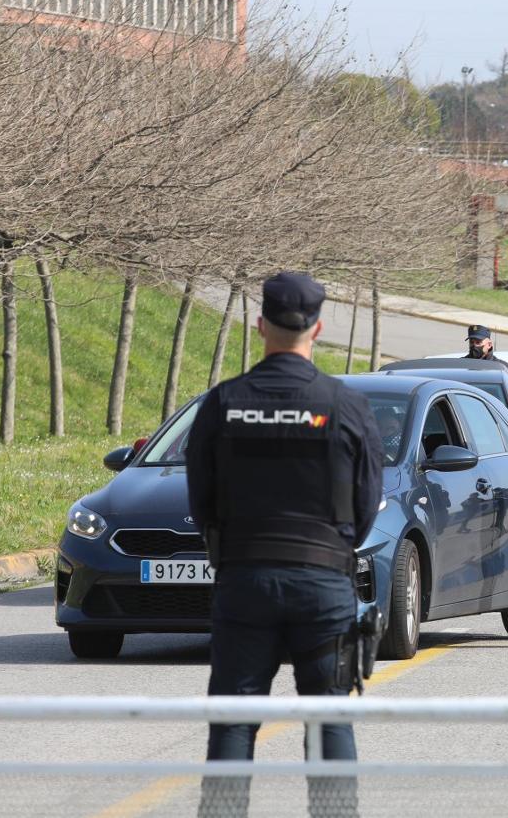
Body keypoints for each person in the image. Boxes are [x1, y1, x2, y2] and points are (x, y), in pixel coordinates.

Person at [187, 273, 383, 818]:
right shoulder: (344, 405)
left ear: (259, 327)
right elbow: (368, 503)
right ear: (317, 329)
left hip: (244, 581)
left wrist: (231, 551)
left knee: (233, 722)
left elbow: (200, 499)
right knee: (328, 719)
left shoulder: (223, 404)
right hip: (323, 585)